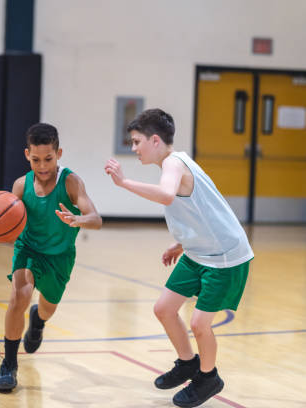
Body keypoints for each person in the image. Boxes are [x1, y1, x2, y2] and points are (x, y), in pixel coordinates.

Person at [104, 108, 253, 408]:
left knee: (199, 323)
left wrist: (123, 183)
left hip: (225, 257)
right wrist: (181, 243)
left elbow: (167, 196)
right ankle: (187, 363)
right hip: (199, 252)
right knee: (164, 309)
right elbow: (202, 211)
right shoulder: (176, 163)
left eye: (136, 142)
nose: (134, 149)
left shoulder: (173, 163)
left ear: (155, 140)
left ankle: (208, 377)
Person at [0, 123, 103, 391]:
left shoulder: (71, 182)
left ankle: (38, 320)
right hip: (28, 250)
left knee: (47, 308)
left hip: (59, 256)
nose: (42, 166)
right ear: (26, 155)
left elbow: (96, 219)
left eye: (48, 159)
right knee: (19, 295)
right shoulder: (21, 185)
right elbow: (4, 215)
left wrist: (78, 219)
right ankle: (9, 364)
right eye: (35, 159)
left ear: (59, 153)